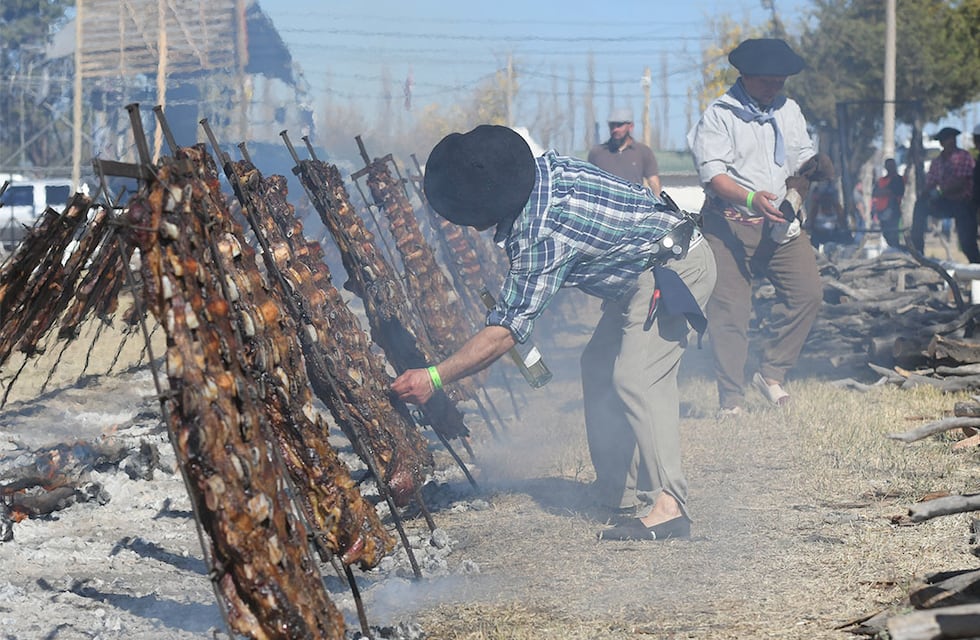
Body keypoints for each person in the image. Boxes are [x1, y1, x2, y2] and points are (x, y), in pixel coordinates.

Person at [392, 124, 716, 541]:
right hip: (641, 273)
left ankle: (670, 507)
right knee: (597, 365)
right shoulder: (543, 173)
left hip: (675, 269)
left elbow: (506, 330)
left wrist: (434, 377)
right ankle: (616, 491)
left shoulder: (542, 233)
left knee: (637, 378)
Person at [687, 38, 833, 415]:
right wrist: (751, 199)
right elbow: (714, 176)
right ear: (745, 76)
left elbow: (800, 157)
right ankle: (731, 400)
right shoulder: (719, 115)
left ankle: (770, 373)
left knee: (808, 294)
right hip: (729, 226)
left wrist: (813, 167)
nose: (774, 88)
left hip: (781, 225)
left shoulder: (789, 109)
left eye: (780, 82)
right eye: (767, 82)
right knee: (730, 313)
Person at [909, 127, 978, 262]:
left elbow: (962, 183)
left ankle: (976, 263)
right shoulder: (937, 162)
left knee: (967, 242)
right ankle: (917, 250)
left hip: (963, 203)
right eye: (947, 139)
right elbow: (931, 182)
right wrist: (925, 194)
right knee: (920, 205)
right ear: (942, 143)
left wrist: (940, 191)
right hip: (946, 202)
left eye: (953, 139)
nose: (951, 142)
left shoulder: (964, 156)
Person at [587, 107, 661, 193]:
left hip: (633, 200)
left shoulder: (643, 152)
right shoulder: (597, 153)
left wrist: (658, 199)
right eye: (612, 126)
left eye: (619, 125)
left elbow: (653, 181)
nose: (615, 129)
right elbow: (589, 182)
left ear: (631, 126)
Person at [871, 158, 905, 248]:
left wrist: (883, 191)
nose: (890, 167)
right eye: (888, 165)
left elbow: (895, 191)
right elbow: (874, 192)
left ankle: (897, 249)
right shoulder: (881, 180)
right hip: (881, 211)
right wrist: (883, 191)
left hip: (893, 211)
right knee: (886, 233)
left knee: (893, 234)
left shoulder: (898, 179)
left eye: (892, 165)